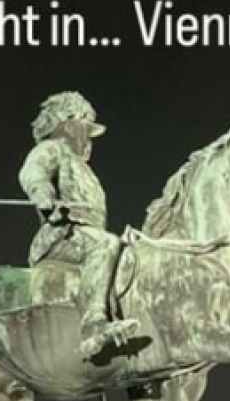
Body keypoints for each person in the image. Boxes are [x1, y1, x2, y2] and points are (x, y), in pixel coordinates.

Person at [18, 90, 140, 360]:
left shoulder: (83, 168)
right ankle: (93, 325)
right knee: (106, 243)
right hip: (62, 237)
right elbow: (32, 174)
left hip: (85, 237)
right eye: (86, 128)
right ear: (69, 124)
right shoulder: (51, 150)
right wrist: (45, 198)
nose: (90, 138)